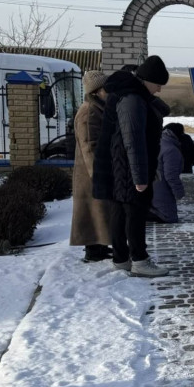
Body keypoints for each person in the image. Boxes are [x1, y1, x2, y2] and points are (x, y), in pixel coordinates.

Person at [92, 55, 172, 277]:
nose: (159, 89)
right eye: (158, 84)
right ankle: (139, 260)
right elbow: (133, 140)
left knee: (120, 211)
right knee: (135, 213)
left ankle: (121, 259)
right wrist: (140, 177)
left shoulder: (128, 94)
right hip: (127, 167)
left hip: (119, 165)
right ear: (148, 80)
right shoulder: (133, 99)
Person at [70, 70, 112, 262]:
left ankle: (99, 247)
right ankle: (93, 250)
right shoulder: (89, 111)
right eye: (106, 88)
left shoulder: (97, 108)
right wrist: (98, 175)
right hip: (90, 174)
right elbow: (90, 145)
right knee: (93, 212)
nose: (109, 91)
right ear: (97, 91)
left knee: (98, 212)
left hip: (93, 172)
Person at [149, 122, 186, 223]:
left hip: (152, 185)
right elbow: (171, 175)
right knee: (168, 217)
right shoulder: (171, 150)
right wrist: (179, 192)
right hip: (161, 187)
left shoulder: (157, 143)